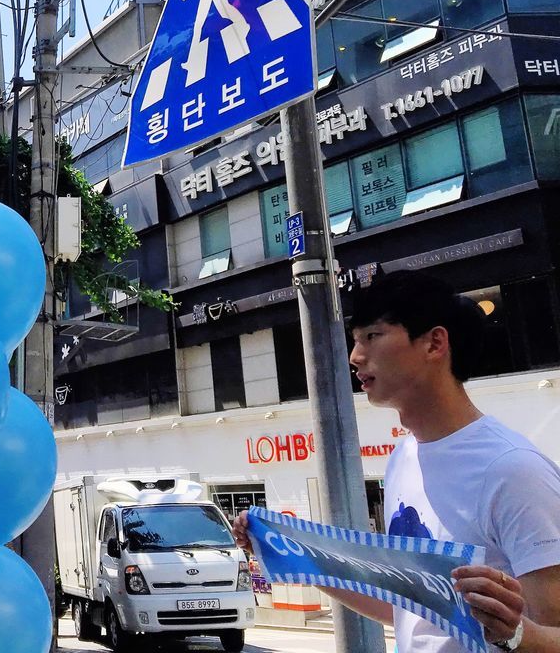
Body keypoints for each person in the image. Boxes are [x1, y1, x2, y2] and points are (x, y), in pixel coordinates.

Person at [233, 270, 560, 653]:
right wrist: (290, 552)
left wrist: (513, 632)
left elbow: (551, 627)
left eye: (372, 336)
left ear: (434, 343)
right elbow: (409, 609)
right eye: (355, 341)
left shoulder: (513, 469)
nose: (355, 357)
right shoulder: (402, 459)